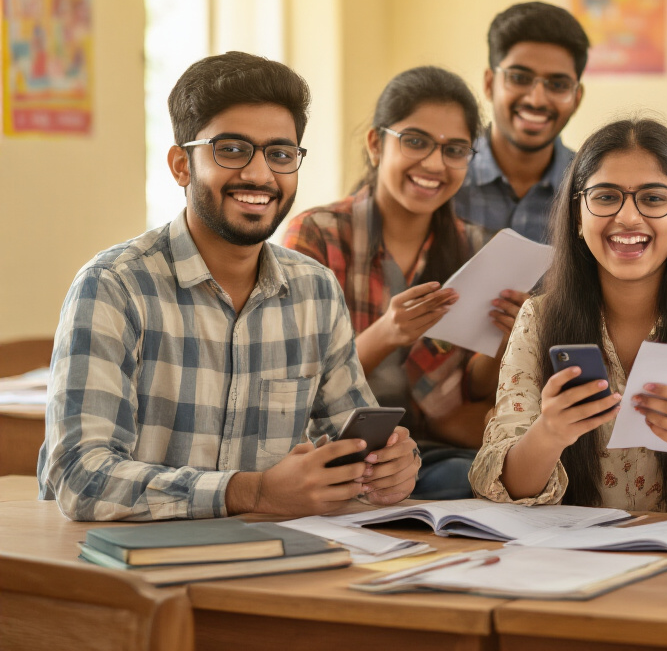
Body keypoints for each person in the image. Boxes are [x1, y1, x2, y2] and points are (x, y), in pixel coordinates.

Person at [39, 52, 419, 521]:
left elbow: (353, 439)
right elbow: (80, 476)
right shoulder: (114, 287)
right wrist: (252, 492)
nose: (260, 175)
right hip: (132, 572)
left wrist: (391, 467)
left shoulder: (315, 292)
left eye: (280, 154)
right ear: (182, 165)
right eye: (232, 149)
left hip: (269, 560)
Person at [470, 117, 667, 512]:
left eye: (653, 198)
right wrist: (549, 434)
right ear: (577, 215)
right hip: (571, 561)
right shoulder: (537, 320)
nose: (628, 218)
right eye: (606, 197)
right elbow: (495, 489)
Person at [284, 67, 527, 499]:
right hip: (337, 444)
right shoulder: (318, 234)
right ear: (376, 144)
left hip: (435, 447)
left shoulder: (479, 246)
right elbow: (299, 384)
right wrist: (388, 333)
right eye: (415, 141)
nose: (434, 164)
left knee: (485, 478)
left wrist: (507, 339)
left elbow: (474, 392)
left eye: (455, 150)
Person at [452, 1, 590, 242]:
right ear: (488, 84)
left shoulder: (591, 191)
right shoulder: (445, 176)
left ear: (577, 98)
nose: (536, 100)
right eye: (519, 78)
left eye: (558, 85)